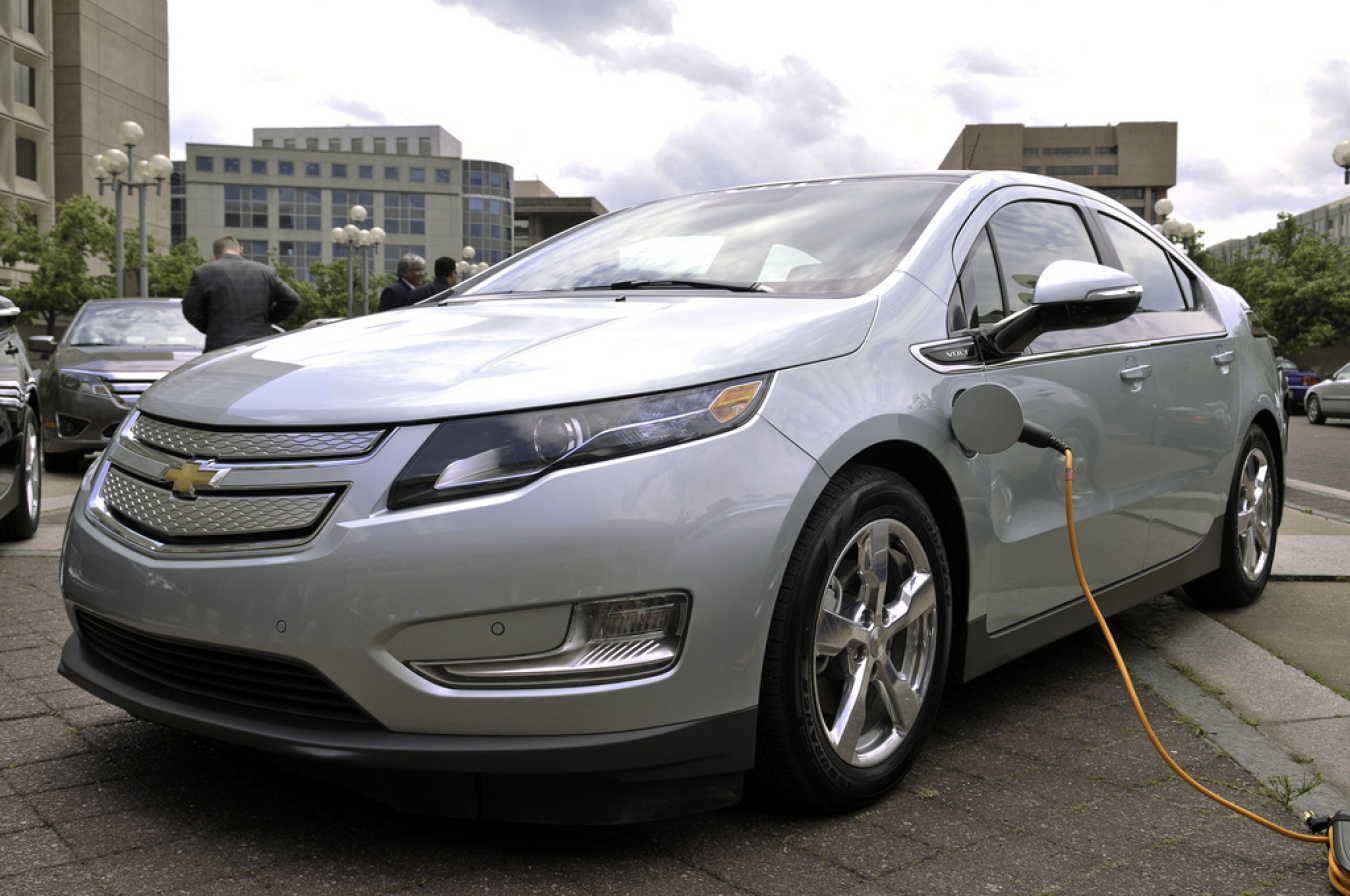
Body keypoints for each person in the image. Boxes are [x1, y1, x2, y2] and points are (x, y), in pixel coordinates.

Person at [182, 236, 300, 352]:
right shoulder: (265, 272)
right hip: (258, 346)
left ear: (215, 255)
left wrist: (211, 327)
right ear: (241, 250)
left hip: (220, 347)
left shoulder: (203, 273)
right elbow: (291, 299)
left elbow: (190, 309)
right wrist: (269, 319)